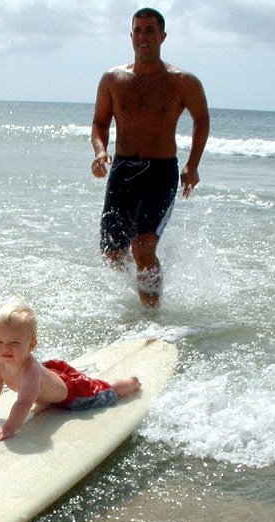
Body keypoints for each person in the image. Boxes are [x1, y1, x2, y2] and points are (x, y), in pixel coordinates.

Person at [91, 7, 210, 307]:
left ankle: (152, 317)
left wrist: (192, 166)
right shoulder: (112, 79)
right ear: (131, 36)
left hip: (160, 173)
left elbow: (202, 119)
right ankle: (145, 286)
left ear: (162, 36)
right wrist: (100, 151)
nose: (144, 37)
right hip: (122, 170)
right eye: (138, 30)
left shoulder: (183, 81)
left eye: (150, 31)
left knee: (142, 246)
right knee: (113, 253)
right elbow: (100, 123)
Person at [0, 301, 141, 441]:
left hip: (73, 395)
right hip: (52, 379)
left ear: (31, 345)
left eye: (14, 342)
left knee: (104, 392)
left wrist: (8, 429)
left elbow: (24, 403)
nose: (5, 348)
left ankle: (131, 383)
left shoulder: (30, 372)